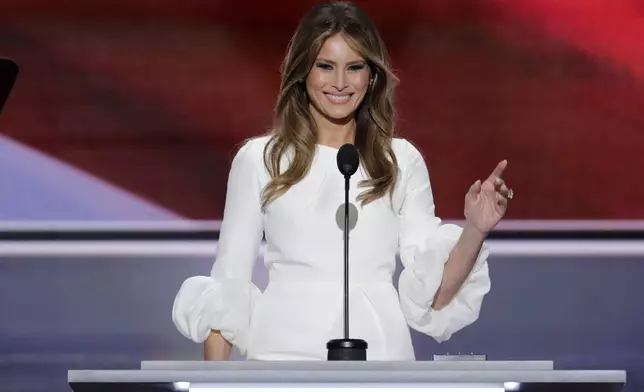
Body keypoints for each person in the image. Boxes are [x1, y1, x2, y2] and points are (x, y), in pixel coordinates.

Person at [172, 1, 512, 361]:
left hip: (380, 360)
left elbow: (434, 296)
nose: (339, 83)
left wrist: (475, 229)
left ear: (371, 76)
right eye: (325, 66)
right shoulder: (261, 160)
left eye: (354, 68)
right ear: (304, 71)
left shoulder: (399, 161)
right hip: (282, 361)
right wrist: (215, 385)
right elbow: (229, 285)